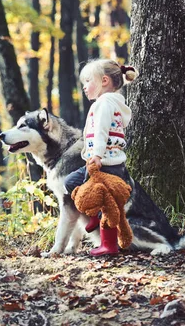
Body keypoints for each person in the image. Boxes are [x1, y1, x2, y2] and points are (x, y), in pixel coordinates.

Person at [64, 59, 138, 256]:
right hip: (109, 164)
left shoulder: (104, 103)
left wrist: (96, 154)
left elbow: (102, 132)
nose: (84, 87)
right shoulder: (112, 103)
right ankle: (94, 213)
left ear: (104, 80)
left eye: (88, 81)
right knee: (72, 182)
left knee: (108, 205)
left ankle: (109, 245)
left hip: (104, 164)